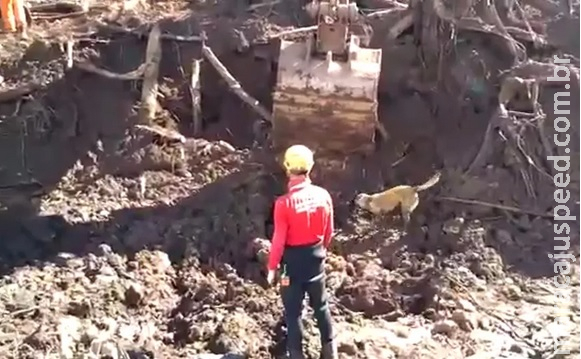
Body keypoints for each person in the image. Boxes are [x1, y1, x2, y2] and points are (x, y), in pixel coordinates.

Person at [266, 144, 337, 359]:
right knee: (321, 306)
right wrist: (319, 252)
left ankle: (296, 354)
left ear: (287, 169)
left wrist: (272, 267)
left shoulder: (283, 204)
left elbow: (279, 240)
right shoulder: (323, 195)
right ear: (310, 167)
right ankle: (330, 350)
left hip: (290, 268)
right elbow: (329, 232)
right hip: (316, 263)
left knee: (293, 311)